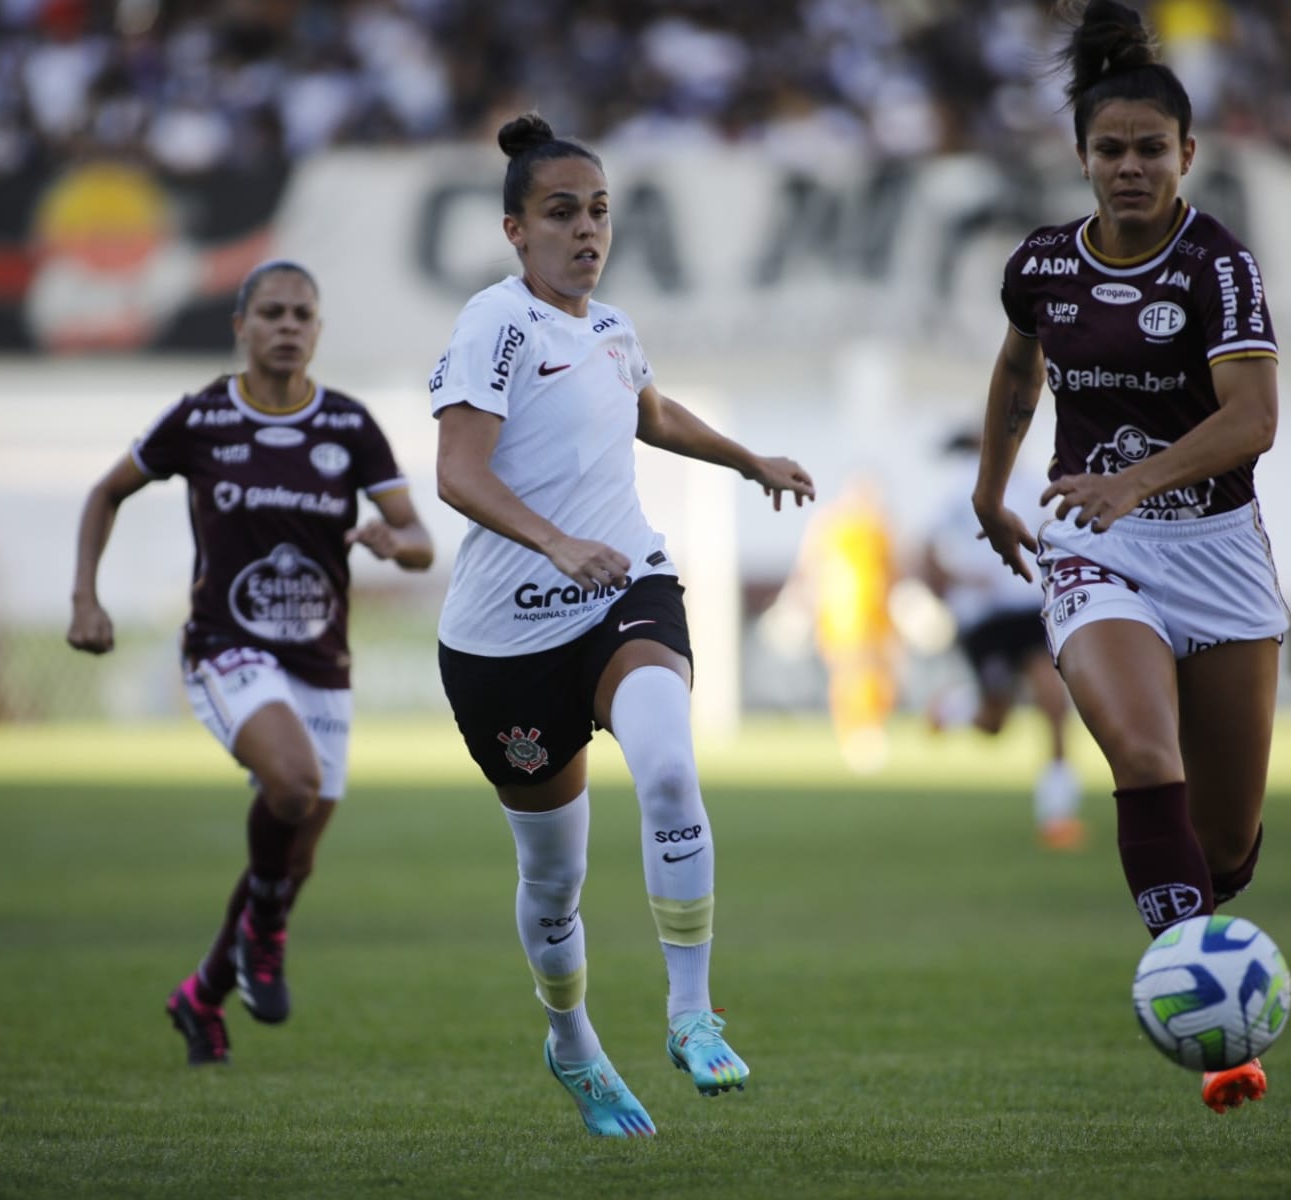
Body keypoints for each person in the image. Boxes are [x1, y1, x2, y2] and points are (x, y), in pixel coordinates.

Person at [429, 113, 815, 1139]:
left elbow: (650, 413)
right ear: (515, 229)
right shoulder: (494, 324)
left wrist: (749, 462)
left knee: (670, 769)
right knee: (553, 884)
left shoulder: (608, 325)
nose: (586, 231)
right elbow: (457, 472)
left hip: (622, 592)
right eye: (562, 214)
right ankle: (571, 1044)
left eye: (598, 212)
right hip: (502, 645)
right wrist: (555, 544)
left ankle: (691, 1012)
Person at [971, 0, 1287, 1114]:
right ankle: (1217, 1032)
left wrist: (1133, 478)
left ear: (1186, 155)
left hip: (1215, 553)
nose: (1130, 166)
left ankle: (1210, 934)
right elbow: (1020, 373)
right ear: (1082, 158)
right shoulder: (1042, 264)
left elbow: (1251, 421)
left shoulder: (1219, 266)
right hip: (1091, 551)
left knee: (1226, 840)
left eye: (1151, 148)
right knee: (1145, 761)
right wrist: (989, 485)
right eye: (1110, 149)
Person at [67, 260, 435, 1067]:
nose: (288, 326)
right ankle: (266, 932)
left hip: (322, 662)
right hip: (224, 648)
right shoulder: (201, 418)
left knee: (295, 851)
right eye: (272, 312)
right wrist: (85, 599)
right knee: (294, 786)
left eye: (303, 314)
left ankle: (200, 995)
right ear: (241, 324)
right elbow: (105, 492)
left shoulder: (348, 425)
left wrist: (391, 539)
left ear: (319, 330)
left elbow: (419, 541)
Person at [921, 431, 1084, 849]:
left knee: (1053, 700)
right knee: (995, 723)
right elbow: (926, 555)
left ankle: (1057, 814)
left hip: (1028, 611)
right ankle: (956, 708)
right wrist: (957, 582)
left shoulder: (1034, 485)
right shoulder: (960, 489)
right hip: (984, 619)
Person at [794, 474, 900, 773]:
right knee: (848, 673)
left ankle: (873, 725)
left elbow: (895, 565)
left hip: (877, 611)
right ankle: (852, 731)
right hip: (842, 611)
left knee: (880, 671)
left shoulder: (880, 525)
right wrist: (803, 600)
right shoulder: (831, 522)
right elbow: (811, 562)